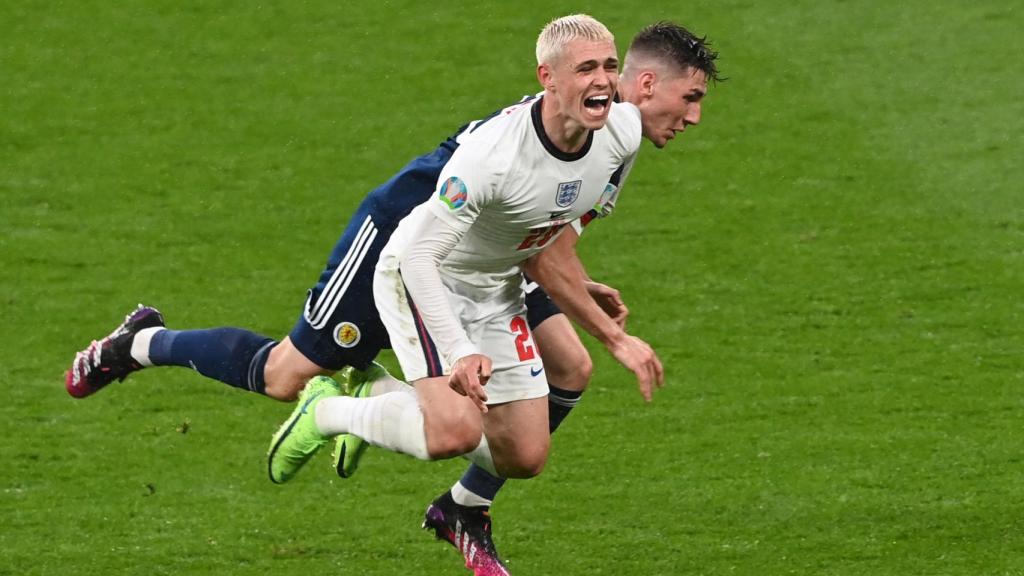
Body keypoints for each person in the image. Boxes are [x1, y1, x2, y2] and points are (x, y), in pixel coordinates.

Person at [266, 16, 718, 576]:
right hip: (425, 269)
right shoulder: (493, 155)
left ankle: (448, 489)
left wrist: (580, 282)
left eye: (607, 66)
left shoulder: (618, 134)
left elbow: (548, 239)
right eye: (691, 98)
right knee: (455, 430)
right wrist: (610, 340)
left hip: (497, 279)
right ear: (548, 77)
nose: (695, 116)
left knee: (526, 456)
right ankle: (329, 410)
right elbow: (423, 256)